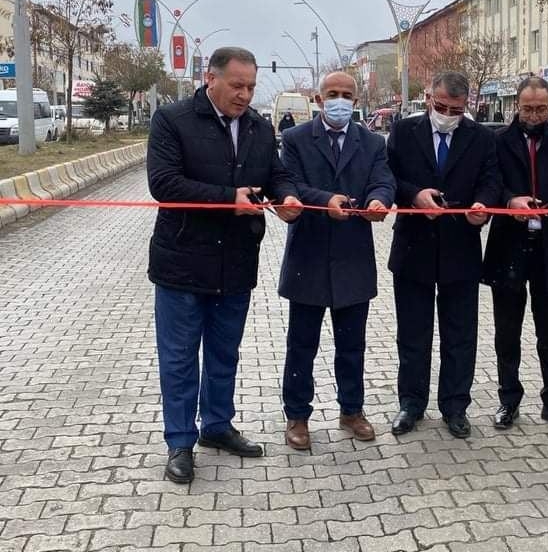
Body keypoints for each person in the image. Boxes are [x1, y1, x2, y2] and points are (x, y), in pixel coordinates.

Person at [147, 47, 304, 484]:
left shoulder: (257, 126)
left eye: (251, 87)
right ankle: (180, 440)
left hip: (235, 261)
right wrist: (227, 198)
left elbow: (276, 174)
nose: (244, 94)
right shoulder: (173, 120)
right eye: (237, 85)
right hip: (182, 261)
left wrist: (287, 197)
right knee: (178, 358)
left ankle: (217, 426)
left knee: (223, 353)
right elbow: (163, 184)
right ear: (210, 78)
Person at [277, 71, 395, 450]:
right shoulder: (295, 139)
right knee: (302, 345)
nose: (339, 100)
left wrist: (379, 200)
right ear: (318, 98)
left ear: (356, 102)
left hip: (352, 257)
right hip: (308, 256)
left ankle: (352, 411)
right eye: (332, 94)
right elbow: (289, 183)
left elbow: (383, 180)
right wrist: (325, 200)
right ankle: (297, 416)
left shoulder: (373, 142)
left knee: (352, 345)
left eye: (346, 95)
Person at [387, 71, 502, 438]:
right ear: (428, 97)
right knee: (413, 334)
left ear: (466, 106)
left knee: (460, 334)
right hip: (413, 249)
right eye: (440, 107)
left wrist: (483, 203)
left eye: (455, 109)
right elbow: (388, 177)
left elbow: (492, 179)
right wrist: (414, 194)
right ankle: (411, 404)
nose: (447, 114)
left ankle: (455, 406)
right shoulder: (404, 132)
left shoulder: (482, 138)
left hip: (460, 249)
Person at [482, 76, 548, 433]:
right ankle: (508, 399)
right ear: (517, 106)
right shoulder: (496, 141)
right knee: (507, 330)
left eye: (542, 108)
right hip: (509, 244)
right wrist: (510, 200)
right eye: (528, 108)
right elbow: (490, 184)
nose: (535, 115)